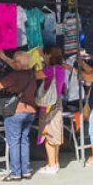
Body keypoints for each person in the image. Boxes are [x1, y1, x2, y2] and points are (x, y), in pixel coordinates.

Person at [0, 50, 41, 181]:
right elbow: (15, 64)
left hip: (16, 112)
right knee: (24, 141)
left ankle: (16, 173)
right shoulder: (31, 74)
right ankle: (26, 171)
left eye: (15, 61)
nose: (13, 63)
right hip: (30, 111)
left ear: (18, 63)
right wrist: (4, 57)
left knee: (14, 142)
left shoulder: (15, 76)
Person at [36, 47, 66, 175]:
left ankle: (51, 165)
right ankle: (56, 162)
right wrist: (43, 55)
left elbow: (36, 75)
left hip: (48, 105)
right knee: (55, 133)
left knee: (48, 134)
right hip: (57, 101)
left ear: (50, 56)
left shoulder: (48, 70)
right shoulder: (61, 69)